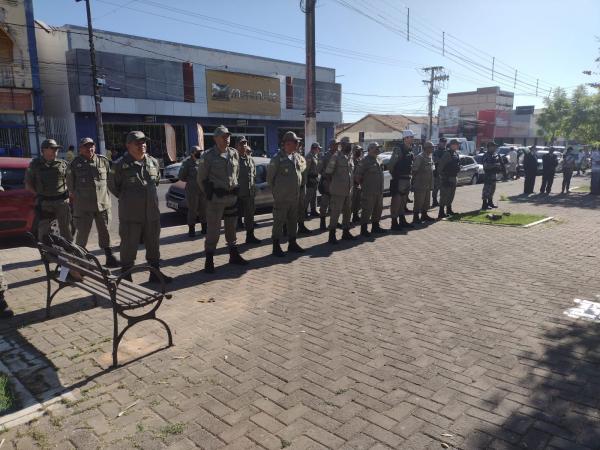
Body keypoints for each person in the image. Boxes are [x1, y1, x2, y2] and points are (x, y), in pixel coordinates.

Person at [108, 131, 172, 283]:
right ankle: (126, 276)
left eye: (143, 142)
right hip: (130, 215)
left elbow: (155, 182)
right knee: (129, 246)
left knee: (153, 244)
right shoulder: (119, 166)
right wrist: (130, 200)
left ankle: (155, 273)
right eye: (137, 143)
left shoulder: (153, 162)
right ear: (128, 145)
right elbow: (113, 187)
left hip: (151, 213)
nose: (142, 145)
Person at [197, 125, 248, 273]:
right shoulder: (208, 156)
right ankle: (209, 259)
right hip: (216, 200)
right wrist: (211, 194)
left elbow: (236, 173)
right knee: (213, 230)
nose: (227, 139)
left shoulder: (234, 153)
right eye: (223, 137)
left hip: (231, 198)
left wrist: (235, 186)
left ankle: (233, 254)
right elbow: (201, 179)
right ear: (215, 138)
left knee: (231, 228)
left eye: (228, 136)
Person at [66, 137, 120, 267]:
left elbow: (110, 180)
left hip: (102, 204)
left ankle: (109, 257)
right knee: (82, 234)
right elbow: (70, 187)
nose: (89, 149)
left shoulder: (103, 161)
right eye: (86, 146)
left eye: (91, 146)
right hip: (83, 207)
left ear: (94, 147)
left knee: (105, 232)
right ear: (80, 149)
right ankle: (80, 260)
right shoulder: (74, 164)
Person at [25, 139, 73, 242]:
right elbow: (28, 183)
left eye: (57, 149)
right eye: (53, 149)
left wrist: (69, 194)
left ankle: (70, 251)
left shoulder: (63, 164)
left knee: (65, 228)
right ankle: (46, 252)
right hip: (44, 202)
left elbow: (70, 181)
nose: (56, 151)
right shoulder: (34, 165)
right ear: (44, 150)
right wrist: (38, 195)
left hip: (61, 202)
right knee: (44, 229)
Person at [267, 131, 305, 256]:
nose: (298, 144)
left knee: (293, 221)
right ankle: (276, 246)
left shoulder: (295, 157)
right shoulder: (277, 159)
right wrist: (278, 193)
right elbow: (270, 179)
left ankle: (292, 243)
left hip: (294, 197)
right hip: (282, 198)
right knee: (279, 221)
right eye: (296, 142)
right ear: (288, 144)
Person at [326, 138, 355, 244]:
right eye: (348, 144)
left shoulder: (349, 157)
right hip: (338, 191)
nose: (350, 146)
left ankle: (345, 232)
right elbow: (328, 173)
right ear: (343, 145)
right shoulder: (336, 157)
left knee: (348, 212)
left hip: (348, 191)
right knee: (335, 213)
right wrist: (333, 186)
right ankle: (332, 235)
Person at [355, 142, 386, 237]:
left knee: (378, 209)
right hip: (369, 191)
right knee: (367, 210)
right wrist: (364, 186)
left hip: (379, 190)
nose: (378, 150)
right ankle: (363, 230)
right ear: (370, 149)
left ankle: (375, 227)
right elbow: (357, 177)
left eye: (378, 148)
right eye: (376, 148)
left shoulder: (379, 159)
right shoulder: (364, 161)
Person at [235, 137, 261, 243]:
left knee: (250, 216)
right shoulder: (233, 159)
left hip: (249, 193)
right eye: (241, 144)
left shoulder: (250, 159)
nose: (243, 146)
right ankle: (232, 241)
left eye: (245, 144)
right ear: (236, 145)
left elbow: (253, 175)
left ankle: (250, 236)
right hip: (237, 193)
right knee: (234, 217)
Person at [389, 130, 415, 230]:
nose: (412, 139)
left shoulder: (410, 149)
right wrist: (395, 176)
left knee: (403, 201)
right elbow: (391, 165)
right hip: (399, 179)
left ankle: (402, 220)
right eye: (411, 137)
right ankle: (394, 222)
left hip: (407, 178)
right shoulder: (399, 149)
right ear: (406, 138)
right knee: (396, 201)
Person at [178, 145, 206, 238]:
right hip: (192, 190)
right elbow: (181, 176)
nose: (200, 153)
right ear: (193, 153)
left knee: (203, 210)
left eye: (200, 151)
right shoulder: (187, 163)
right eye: (198, 152)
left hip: (202, 189)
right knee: (192, 210)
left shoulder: (201, 160)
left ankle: (204, 228)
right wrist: (191, 181)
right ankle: (191, 230)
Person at [411, 141, 435, 223]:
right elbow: (414, 170)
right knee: (419, 201)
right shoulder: (420, 157)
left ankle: (424, 215)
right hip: (420, 183)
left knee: (426, 201)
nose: (433, 148)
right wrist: (414, 181)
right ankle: (416, 217)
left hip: (427, 184)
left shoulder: (430, 157)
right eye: (431, 147)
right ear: (426, 148)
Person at [317, 139, 339, 230]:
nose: (336, 146)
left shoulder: (339, 155)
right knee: (324, 204)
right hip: (327, 183)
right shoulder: (325, 156)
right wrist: (326, 175)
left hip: (337, 183)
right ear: (330, 146)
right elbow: (319, 169)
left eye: (337, 145)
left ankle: (334, 222)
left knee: (335, 205)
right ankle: (322, 222)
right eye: (335, 145)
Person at [437, 139, 461, 219]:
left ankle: (449, 210)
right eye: (456, 144)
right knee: (444, 195)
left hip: (454, 177)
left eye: (458, 144)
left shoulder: (456, 154)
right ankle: (441, 212)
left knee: (451, 195)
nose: (457, 146)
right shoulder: (447, 154)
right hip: (447, 178)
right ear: (451, 145)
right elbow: (440, 167)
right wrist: (444, 178)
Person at [481, 142, 503, 209]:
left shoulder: (494, 155)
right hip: (488, 175)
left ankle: (490, 203)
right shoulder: (486, 155)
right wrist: (495, 165)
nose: (495, 148)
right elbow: (485, 166)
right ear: (489, 147)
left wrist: (499, 167)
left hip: (493, 175)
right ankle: (484, 205)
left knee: (492, 190)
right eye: (494, 147)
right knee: (486, 190)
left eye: (495, 147)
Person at [296, 147, 311, 235]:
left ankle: (301, 226)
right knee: (291, 209)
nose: (300, 149)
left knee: (301, 207)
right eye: (299, 148)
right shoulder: (290, 158)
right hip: (294, 188)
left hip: (302, 187)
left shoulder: (301, 158)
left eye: (301, 148)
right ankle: (286, 227)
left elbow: (305, 171)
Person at [305, 142, 321, 217]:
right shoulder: (309, 156)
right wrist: (307, 179)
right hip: (310, 178)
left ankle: (313, 210)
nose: (319, 150)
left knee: (314, 196)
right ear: (314, 148)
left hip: (315, 178)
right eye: (318, 148)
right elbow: (306, 169)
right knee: (308, 196)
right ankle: (304, 211)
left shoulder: (315, 156)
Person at [431, 137, 447, 207]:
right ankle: (434, 201)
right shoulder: (436, 152)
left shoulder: (447, 151)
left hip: (445, 173)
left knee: (443, 189)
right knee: (435, 188)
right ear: (440, 142)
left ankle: (442, 202)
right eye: (442, 142)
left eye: (444, 143)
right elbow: (435, 161)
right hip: (437, 173)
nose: (443, 144)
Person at [351, 145, 363, 223]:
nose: (359, 152)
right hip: (352, 185)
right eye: (358, 150)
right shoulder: (351, 160)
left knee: (358, 202)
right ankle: (347, 219)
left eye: (360, 150)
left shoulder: (360, 160)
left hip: (358, 185)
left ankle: (355, 216)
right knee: (351, 203)